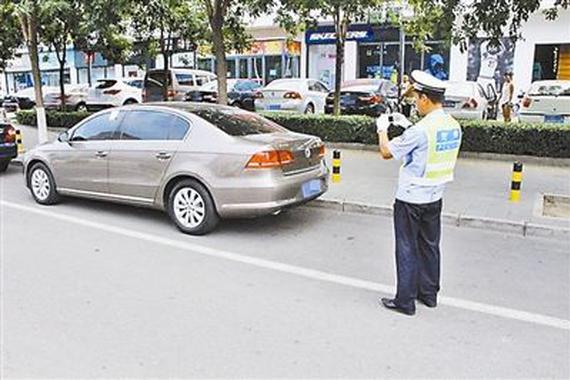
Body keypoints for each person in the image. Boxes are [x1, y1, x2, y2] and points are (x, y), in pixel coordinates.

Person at [376, 70, 462, 316]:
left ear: (425, 98)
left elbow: (386, 152)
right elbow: (429, 149)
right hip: (435, 196)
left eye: (416, 98)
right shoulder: (452, 125)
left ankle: (405, 301)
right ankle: (429, 294)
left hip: (411, 198)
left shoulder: (420, 131)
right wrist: (408, 127)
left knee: (406, 246)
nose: (415, 102)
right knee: (430, 245)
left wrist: (382, 128)